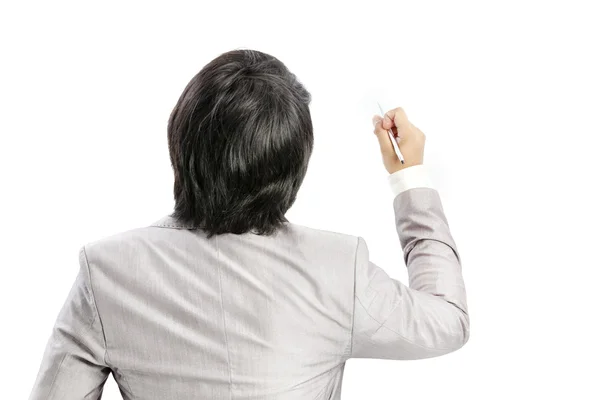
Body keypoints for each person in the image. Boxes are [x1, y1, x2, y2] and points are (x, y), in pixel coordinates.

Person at [28, 49, 469, 400]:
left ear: (180, 141)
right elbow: (448, 320)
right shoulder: (337, 269)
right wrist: (409, 176)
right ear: (294, 166)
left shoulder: (105, 272)